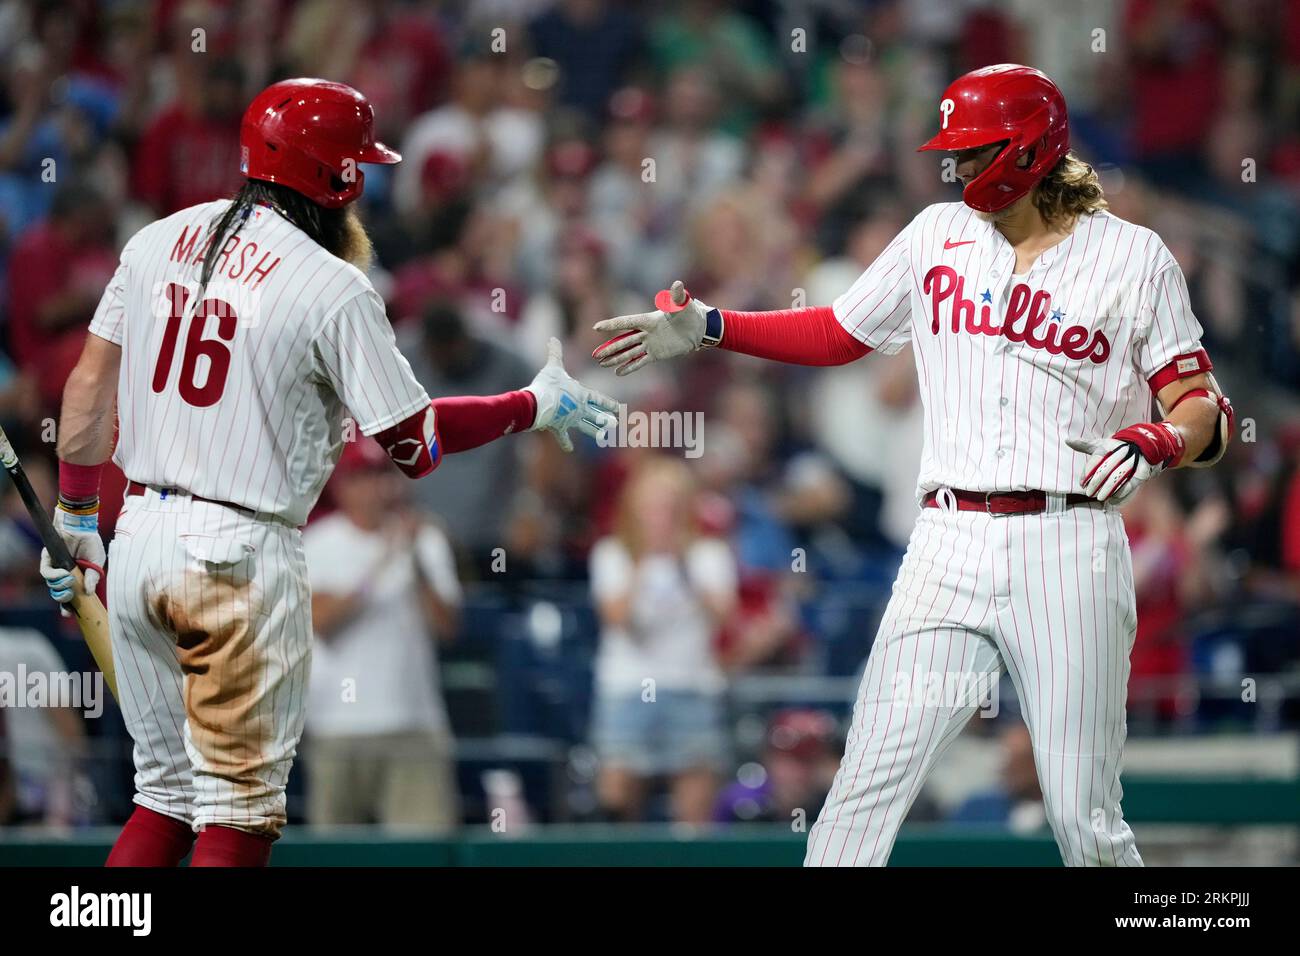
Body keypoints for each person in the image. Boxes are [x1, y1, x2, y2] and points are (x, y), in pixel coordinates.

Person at [593, 64, 1235, 866]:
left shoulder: (1134, 258)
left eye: (976, 151)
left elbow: (1209, 414)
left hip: (1068, 547)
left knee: (1084, 819)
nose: (960, 169)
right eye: (956, 154)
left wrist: (1160, 439)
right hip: (947, 544)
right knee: (861, 794)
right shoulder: (937, 234)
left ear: (1032, 148)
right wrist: (715, 325)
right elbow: (839, 332)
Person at [36, 78, 616, 867]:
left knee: (162, 801)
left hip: (135, 532)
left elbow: (84, 396)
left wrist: (75, 520)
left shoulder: (153, 240)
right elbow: (415, 448)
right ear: (337, 179)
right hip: (236, 556)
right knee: (235, 816)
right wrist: (530, 405)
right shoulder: (333, 285)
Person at [303, 438, 461, 831]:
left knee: (424, 853)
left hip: (414, 721)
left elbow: (448, 628)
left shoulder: (425, 540)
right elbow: (321, 622)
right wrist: (381, 563)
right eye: (363, 476)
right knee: (336, 859)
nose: (376, 487)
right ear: (343, 485)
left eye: (383, 475)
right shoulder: (318, 542)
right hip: (337, 725)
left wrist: (415, 561)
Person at [589, 456, 737, 825]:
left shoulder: (709, 554)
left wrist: (682, 563)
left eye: (670, 507)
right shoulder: (612, 554)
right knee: (619, 800)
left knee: (694, 812)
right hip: (627, 690)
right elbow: (617, 618)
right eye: (652, 507)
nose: (661, 517)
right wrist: (643, 562)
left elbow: (723, 616)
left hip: (692, 687)